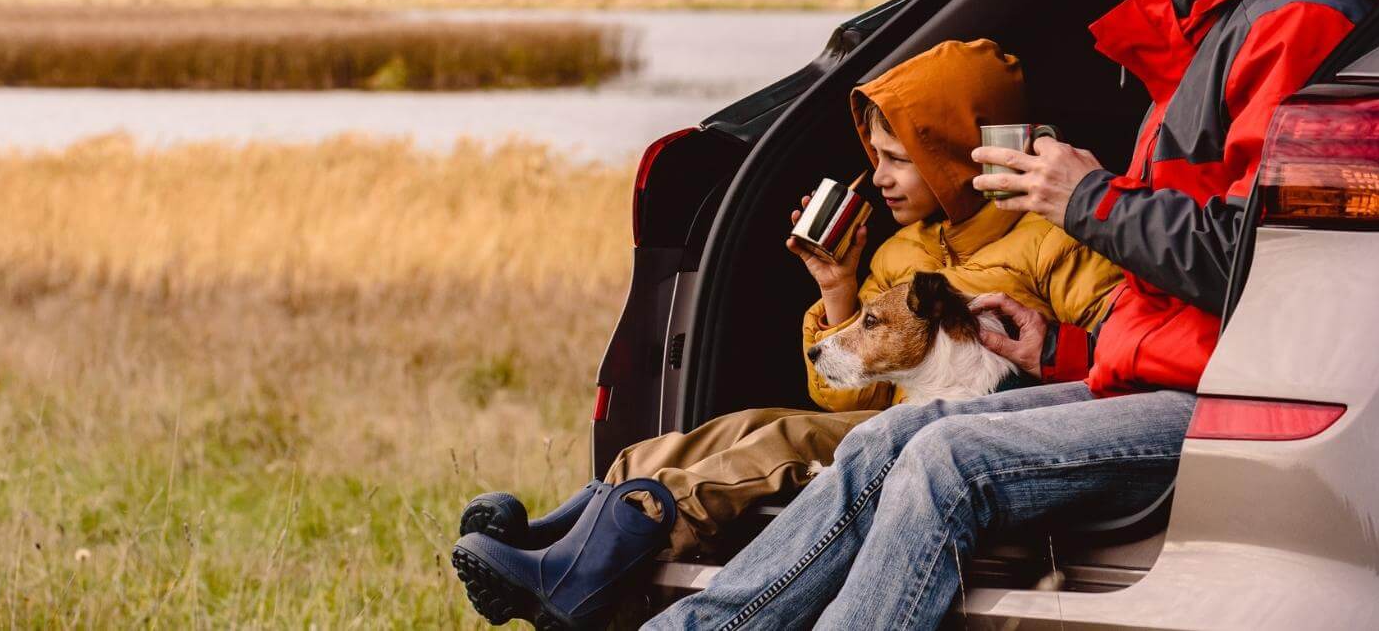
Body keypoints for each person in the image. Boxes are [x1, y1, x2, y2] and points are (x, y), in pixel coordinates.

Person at [642, 0, 1379, 630]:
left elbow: (1267, 278)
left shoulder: (1295, 26)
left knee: (948, 457)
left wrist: (1086, 201)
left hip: (1232, 400)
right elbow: (1186, 299)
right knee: (885, 438)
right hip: (1166, 382)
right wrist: (1062, 350)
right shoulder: (1208, 28)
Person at [450, 39, 1123, 630]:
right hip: (890, 426)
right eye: (875, 157)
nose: (881, 176)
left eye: (900, 160)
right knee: (723, 432)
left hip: (971, 431)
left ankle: (584, 567)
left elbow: (1116, 352)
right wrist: (838, 289)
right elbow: (848, 395)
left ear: (953, 156)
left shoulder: (1050, 238)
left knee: (782, 441)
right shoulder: (899, 253)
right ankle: (569, 536)